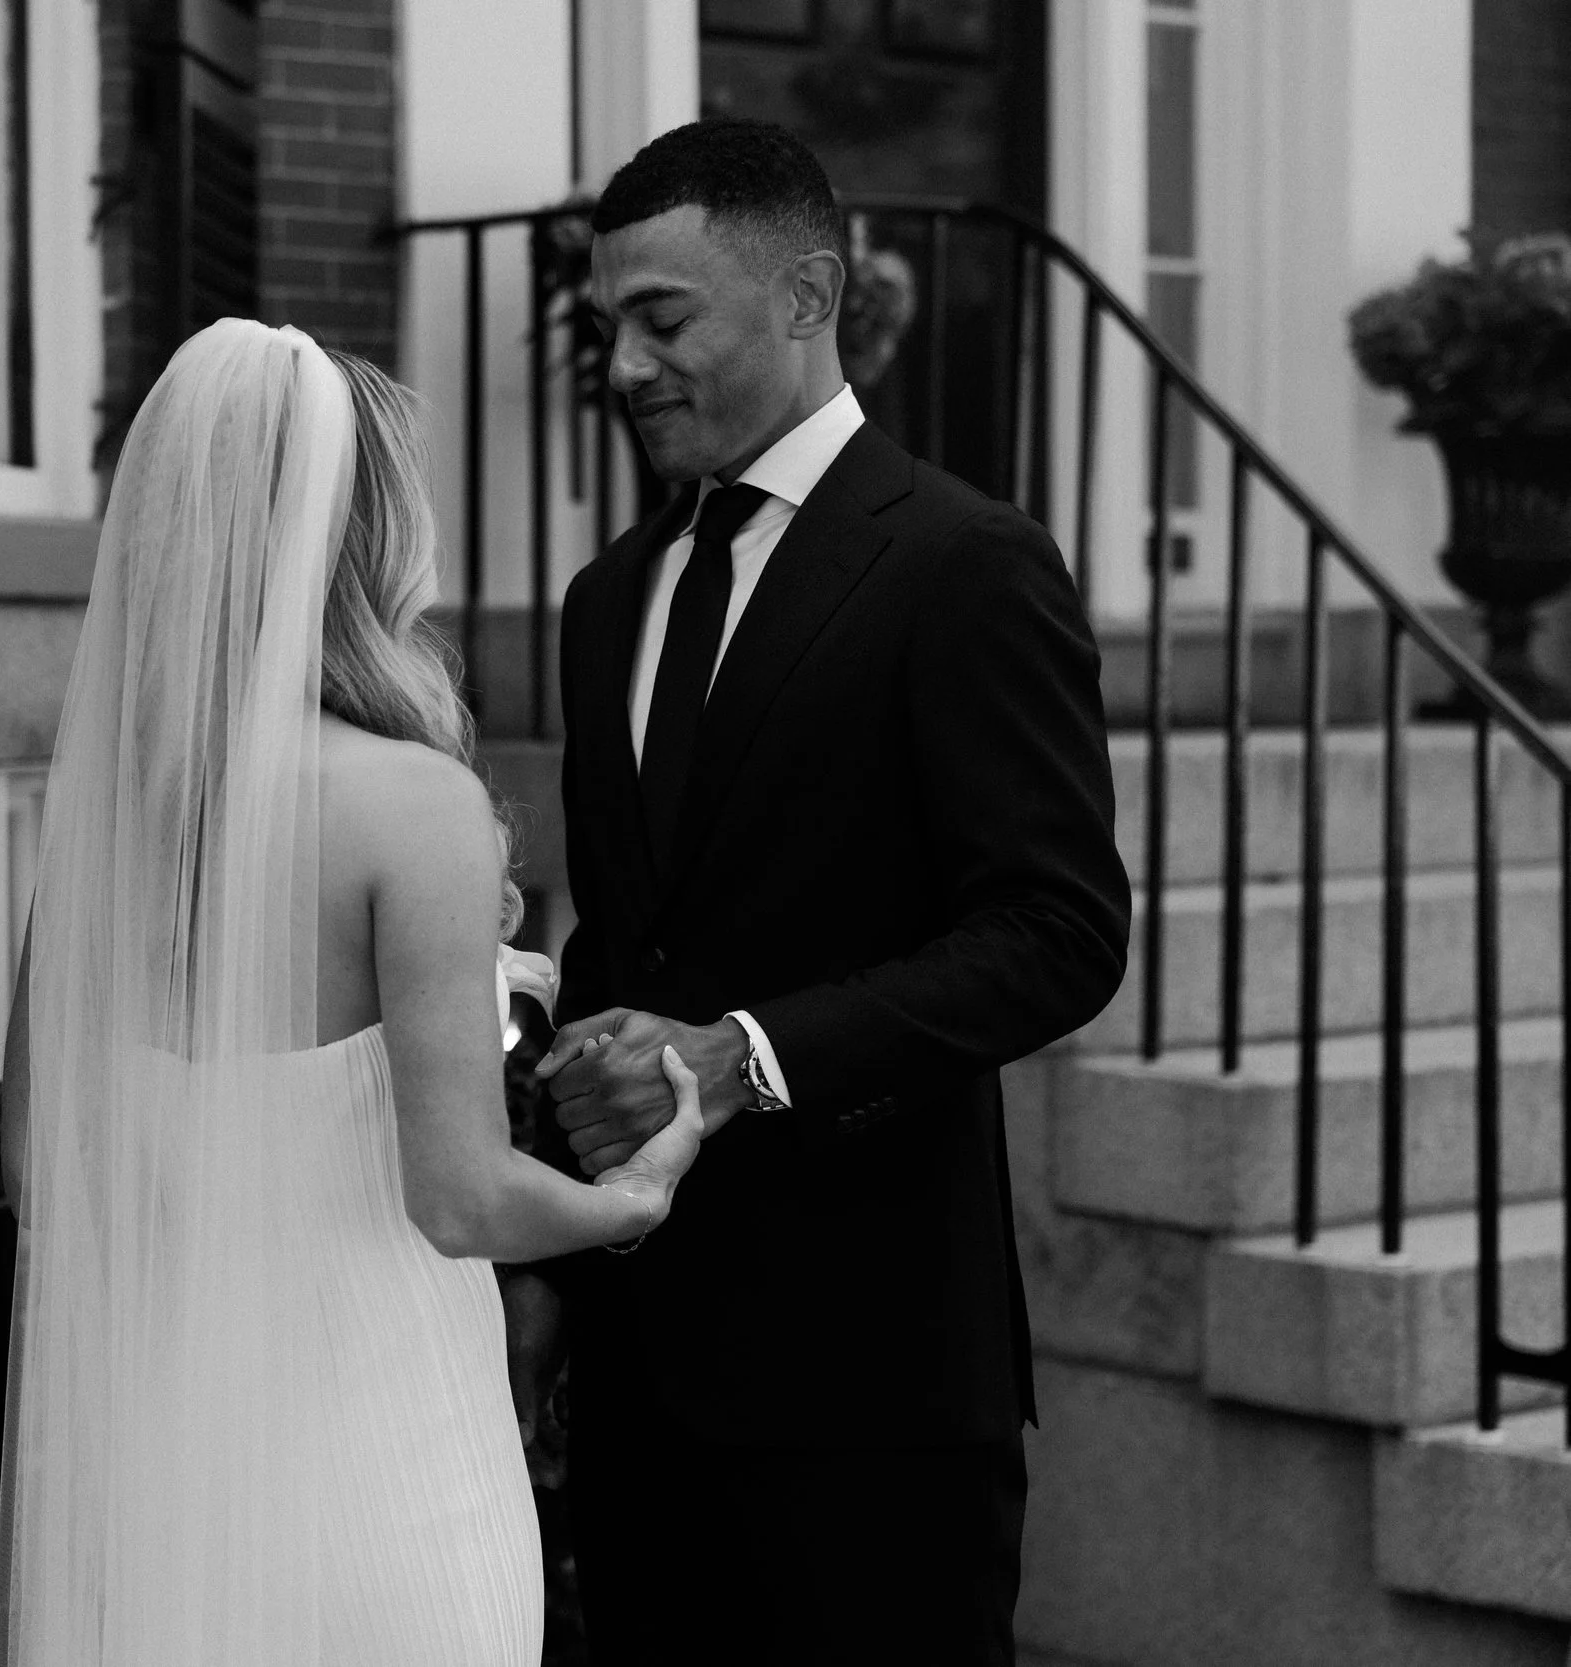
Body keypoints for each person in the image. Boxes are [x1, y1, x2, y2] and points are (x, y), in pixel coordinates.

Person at [0, 318, 706, 1666]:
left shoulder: (110, 818)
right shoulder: (409, 805)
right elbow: (462, 1196)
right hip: (387, 1447)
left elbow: (42, 1162)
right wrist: (636, 1196)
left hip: (166, 1475)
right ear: (366, 538)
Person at [517, 118, 1132, 1665]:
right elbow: (631, 933)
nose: (628, 368)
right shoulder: (606, 601)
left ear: (808, 296)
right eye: (610, 331)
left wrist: (753, 1055)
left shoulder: (968, 564)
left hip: (876, 1393)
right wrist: (547, 1134)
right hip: (643, 1373)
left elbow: (1060, 931)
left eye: (663, 320)